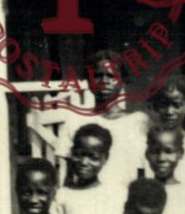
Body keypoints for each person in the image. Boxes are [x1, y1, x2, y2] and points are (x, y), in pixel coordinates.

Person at [55, 50, 151, 191]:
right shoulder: (76, 121)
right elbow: (66, 175)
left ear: (122, 81)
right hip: (87, 198)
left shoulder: (137, 122)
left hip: (127, 197)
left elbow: (145, 170)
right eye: (98, 76)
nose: (104, 81)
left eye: (111, 76)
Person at [55, 123, 125, 214]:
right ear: (72, 153)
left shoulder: (117, 194)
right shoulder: (62, 196)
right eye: (79, 155)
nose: (84, 162)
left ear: (105, 158)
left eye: (93, 157)